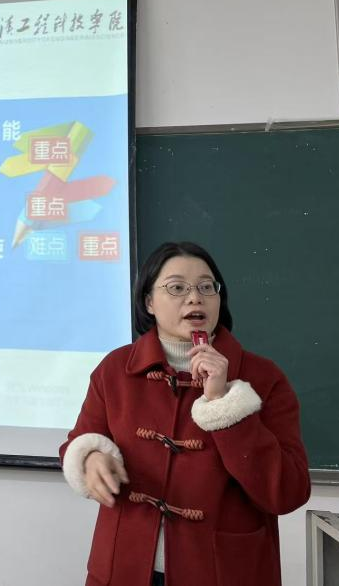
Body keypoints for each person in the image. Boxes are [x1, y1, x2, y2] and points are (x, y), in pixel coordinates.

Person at [60, 241, 310, 586]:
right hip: (124, 567)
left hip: (224, 572)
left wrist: (223, 403)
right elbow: (79, 443)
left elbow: (287, 492)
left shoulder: (263, 378)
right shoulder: (115, 370)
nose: (195, 298)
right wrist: (90, 459)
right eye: (177, 288)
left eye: (206, 287)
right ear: (149, 302)